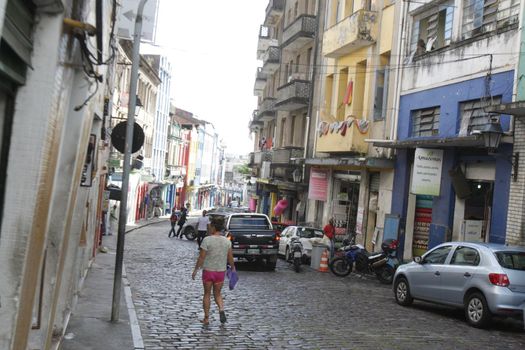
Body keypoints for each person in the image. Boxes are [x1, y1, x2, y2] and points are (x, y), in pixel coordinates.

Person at [192, 216, 235, 325]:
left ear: (213, 227)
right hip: (220, 272)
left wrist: (196, 269)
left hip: (208, 271)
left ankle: (206, 318)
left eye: (210, 226)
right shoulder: (226, 242)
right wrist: (233, 269)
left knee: (207, 294)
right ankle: (221, 309)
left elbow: (201, 257)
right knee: (218, 294)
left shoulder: (207, 240)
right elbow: (230, 258)